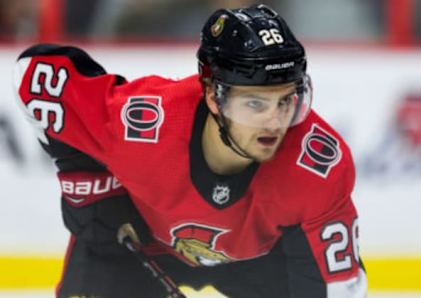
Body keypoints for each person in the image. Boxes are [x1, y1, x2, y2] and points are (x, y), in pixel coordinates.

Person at [14, 4, 367, 298]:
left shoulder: (317, 163)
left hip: (260, 263)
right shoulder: (144, 125)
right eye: (256, 103)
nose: (275, 122)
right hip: (138, 245)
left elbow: (341, 287)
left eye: (287, 100)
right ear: (214, 96)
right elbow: (32, 74)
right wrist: (86, 179)